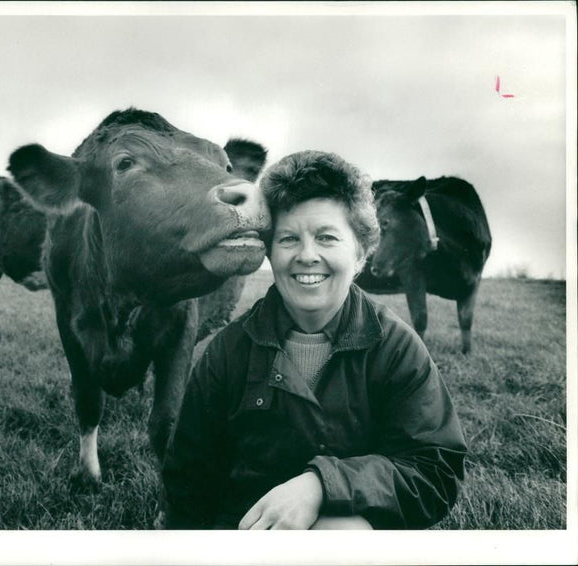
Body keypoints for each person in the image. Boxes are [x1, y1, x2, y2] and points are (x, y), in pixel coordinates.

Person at [162, 150, 467, 530]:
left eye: (326, 237)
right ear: (270, 254)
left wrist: (322, 485)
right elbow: (187, 482)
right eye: (288, 239)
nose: (307, 256)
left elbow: (434, 471)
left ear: (359, 255)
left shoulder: (397, 349)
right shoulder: (226, 352)